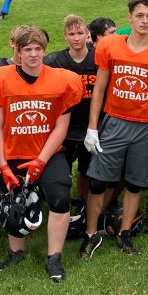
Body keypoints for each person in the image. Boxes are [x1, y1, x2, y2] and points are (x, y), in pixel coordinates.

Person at [81, 0, 148, 257]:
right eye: (139, 15)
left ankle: (124, 233)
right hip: (114, 122)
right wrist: (93, 127)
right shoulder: (111, 46)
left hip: (146, 125)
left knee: (135, 184)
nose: (144, 20)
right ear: (130, 18)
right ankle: (90, 234)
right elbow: (99, 88)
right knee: (99, 183)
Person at [0, 26, 83, 281]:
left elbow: (61, 126)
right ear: (17, 52)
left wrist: (42, 160)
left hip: (48, 153)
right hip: (13, 153)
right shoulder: (0, 78)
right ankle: (16, 252)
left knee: (61, 198)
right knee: (14, 202)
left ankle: (54, 257)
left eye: (37, 49)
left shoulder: (63, 79)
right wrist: (3, 165)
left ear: (44, 50)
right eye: (27, 49)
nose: (33, 54)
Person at [45, 15, 99, 201]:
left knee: (87, 170)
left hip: (91, 125)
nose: (76, 38)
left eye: (80, 33)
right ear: (65, 36)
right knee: (61, 170)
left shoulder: (98, 57)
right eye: (72, 34)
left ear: (88, 34)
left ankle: (83, 202)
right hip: (64, 128)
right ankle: (62, 203)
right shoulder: (54, 61)